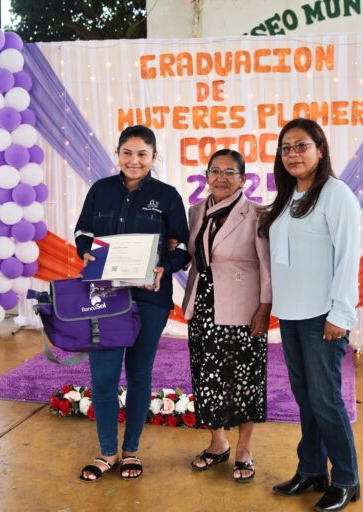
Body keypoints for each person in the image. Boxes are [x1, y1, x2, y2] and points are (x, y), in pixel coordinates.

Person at [74, 125, 190, 482]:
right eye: (127, 152)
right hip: (104, 296)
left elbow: (184, 247)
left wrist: (164, 265)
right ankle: (107, 451)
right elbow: (83, 231)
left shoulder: (167, 196)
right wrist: (85, 251)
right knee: (104, 376)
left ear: (153, 157)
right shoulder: (100, 190)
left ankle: (131, 451)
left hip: (150, 298)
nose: (134, 160)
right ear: (118, 154)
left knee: (139, 374)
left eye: (142, 153)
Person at [259, 119, 362, 511]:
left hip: (323, 315)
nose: (293, 154)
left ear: (320, 148)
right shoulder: (288, 197)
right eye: (286, 148)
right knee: (306, 397)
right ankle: (312, 469)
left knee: (326, 399)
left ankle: (347, 479)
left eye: (301, 145)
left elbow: (348, 257)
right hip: (291, 313)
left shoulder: (336, 195)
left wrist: (341, 313)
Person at [182, 149, 272, 483]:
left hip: (242, 308)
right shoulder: (196, 211)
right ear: (206, 176)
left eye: (230, 172)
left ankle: (244, 449)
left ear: (243, 179)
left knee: (243, 379)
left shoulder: (257, 214)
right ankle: (217, 442)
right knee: (209, 376)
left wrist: (265, 307)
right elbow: (190, 255)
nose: (221, 178)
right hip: (203, 304)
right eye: (215, 171)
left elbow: (266, 265)